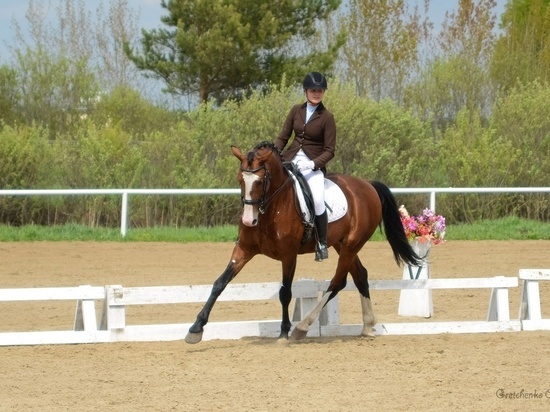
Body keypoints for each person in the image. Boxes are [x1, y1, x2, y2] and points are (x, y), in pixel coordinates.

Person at [274, 71, 336, 262]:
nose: (317, 93)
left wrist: (313, 164)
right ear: (306, 91)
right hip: (290, 160)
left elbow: (330, 150)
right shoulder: (296, 111)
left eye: (320, 90)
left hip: (312, 166)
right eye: (313, 90)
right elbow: (283, 138)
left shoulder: (327, 117)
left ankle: (322, 243)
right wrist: (273, 154)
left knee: (317, 199)